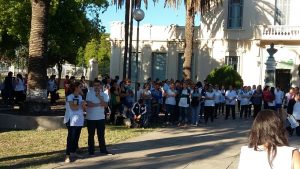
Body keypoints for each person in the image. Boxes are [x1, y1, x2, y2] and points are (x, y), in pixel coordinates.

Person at [85, 79, 111, 156]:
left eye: (98, 85)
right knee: (91, 135)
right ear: (93, 86)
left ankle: (103, 150)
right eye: (95, 85)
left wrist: (99, 97)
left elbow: (105, 105)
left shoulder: (104, 95)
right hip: (90, 118)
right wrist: (100, 104)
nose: (96, 87)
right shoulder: (89, 93)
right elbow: (89, 104)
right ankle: (91, 151)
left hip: (100, 118)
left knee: (101, 135)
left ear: (101, 86)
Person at [64, 82, 86, 163]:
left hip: (79, 120)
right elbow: (73, 108)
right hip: (71, 120)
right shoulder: (70, 97)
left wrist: (84, 105)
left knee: (76, 137)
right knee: (71, 138)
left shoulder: (80, 97)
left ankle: (73, 152)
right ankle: (67, 155)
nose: (82, 88)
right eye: (80, 87)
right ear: (76, 88)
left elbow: (83, 109)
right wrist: (81, 104)